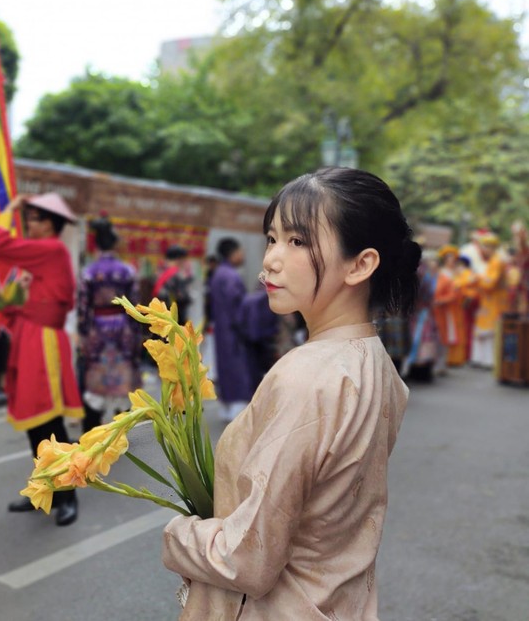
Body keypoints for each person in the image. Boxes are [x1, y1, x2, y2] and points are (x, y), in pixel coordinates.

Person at [162, 166, 420, 619]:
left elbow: (246, 559)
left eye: (298, 241)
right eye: (272, 238)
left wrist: (179, 534)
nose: (271, 260)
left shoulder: (304, 377)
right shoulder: (376, 363)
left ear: (360, 264)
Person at [0, 192, 84, 527]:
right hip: (28, 340)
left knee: (51, 423)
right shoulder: (37, 263)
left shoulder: (52, 249)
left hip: (43, 341)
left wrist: (7, 211)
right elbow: (7, 305)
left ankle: (68, 494)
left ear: (49, 224)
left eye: (32, 218)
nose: (27, 223)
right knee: (34, 421)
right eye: (26, 216)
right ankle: (44, 490)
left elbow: (0, 245)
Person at [78, 215, 140, 432]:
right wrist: (136, 333)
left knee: (96, 376)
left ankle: (92, 429)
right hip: (123, 327)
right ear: (114, 244)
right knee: (123, 377)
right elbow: (135, 306)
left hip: (98, 327)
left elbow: (83, 307)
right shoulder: (128, 271)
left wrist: (84, 333)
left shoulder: (89, 272)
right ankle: (122, 430)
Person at [209, 237, 251, 421]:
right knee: (237, 368)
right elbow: (238, 306)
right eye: (240, 251)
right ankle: (237, 410)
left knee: (224, 367)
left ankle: (226, 407)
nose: (242, 255)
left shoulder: (218, 273)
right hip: (234, 330)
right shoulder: (231, 276)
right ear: (232, 254)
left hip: (221, 329)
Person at [472, 234, 509, 369]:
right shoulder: (492, 261)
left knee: (490, 333)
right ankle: (483, 360)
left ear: (492, 247)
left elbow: (490, 283)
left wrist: (477, 278)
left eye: (486, 247)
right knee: (484, 332)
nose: (484, 250)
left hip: (494, 301)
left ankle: (490, 361)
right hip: (488, 301)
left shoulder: (497, 262)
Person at [432, 245, 463, 371]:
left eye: (453, 257)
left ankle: (444, 362)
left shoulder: (458, 273)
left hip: (450, 310)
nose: (451, 259)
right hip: (437, 310)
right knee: (438, 335)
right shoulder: (440, 273)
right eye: (449, 257)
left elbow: (456, 292)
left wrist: (441, 301)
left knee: (446, 335)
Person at [153, 245, 194, 325]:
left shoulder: (160, 273)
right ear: (179, 259)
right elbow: (183, 297)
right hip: (174, 318)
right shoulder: (177, 275)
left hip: (160, 316)